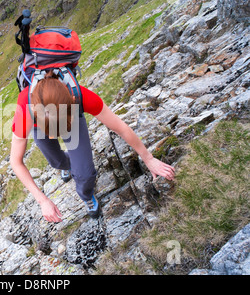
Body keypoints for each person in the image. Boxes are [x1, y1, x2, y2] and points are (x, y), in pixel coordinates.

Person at [10, 71, 175, 222]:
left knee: (85, 174)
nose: (55, 136)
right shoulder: (25, 110)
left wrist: (149, 158)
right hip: (40, 124)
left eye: (59, 131)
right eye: (51, 132)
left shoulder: (81, 97)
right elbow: (15, 161)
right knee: (56, 162)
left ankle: (86, 195)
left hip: (68, 118)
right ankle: (65, 165)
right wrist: (42, 200)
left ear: (73, 103)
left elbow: (121, 128)